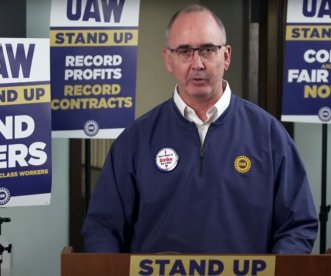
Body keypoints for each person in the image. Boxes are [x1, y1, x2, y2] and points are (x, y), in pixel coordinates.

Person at [82, 4, 318, 254]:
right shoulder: (135, 139)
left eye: (207, 49)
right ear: (168, 59)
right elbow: (102, 227)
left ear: (226, 56)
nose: (197, 63)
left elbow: (298, 225)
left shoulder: (269, 134)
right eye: (184, 51)